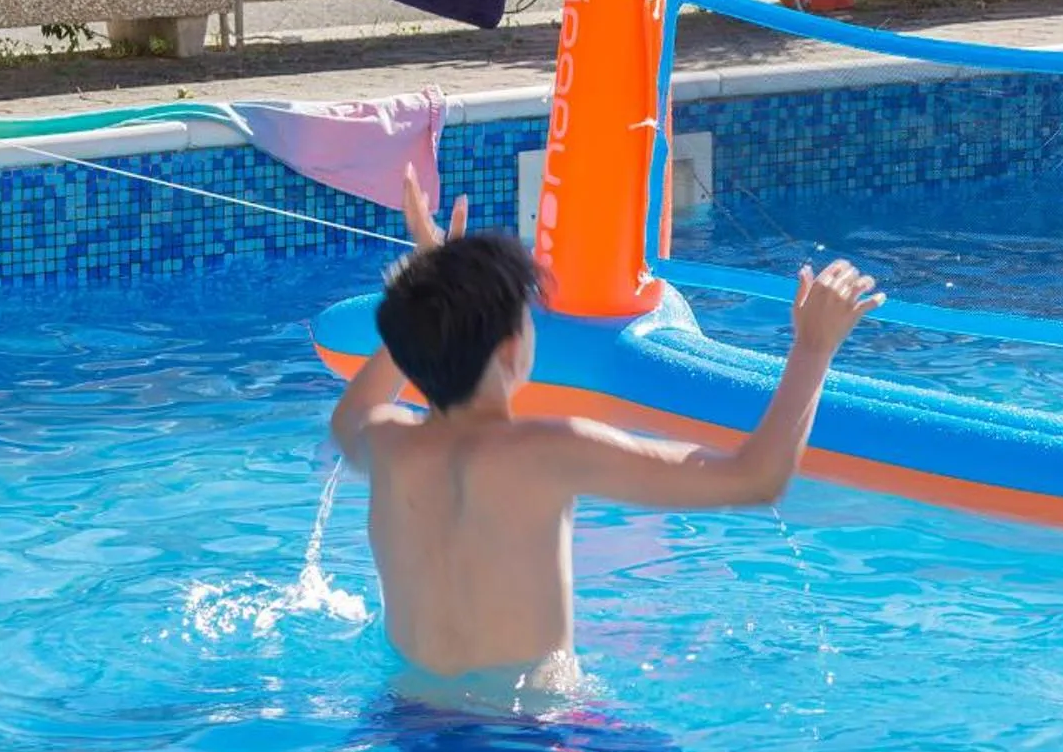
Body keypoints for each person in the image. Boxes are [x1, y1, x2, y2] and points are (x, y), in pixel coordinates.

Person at [329, 169, 884, 688]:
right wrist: (814, 348)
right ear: (512, 349)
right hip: (529, 726)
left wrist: (432, 296)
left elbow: (350, 414)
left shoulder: (385, 441)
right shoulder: (549, 450)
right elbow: (755, 478)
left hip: (409, 714)